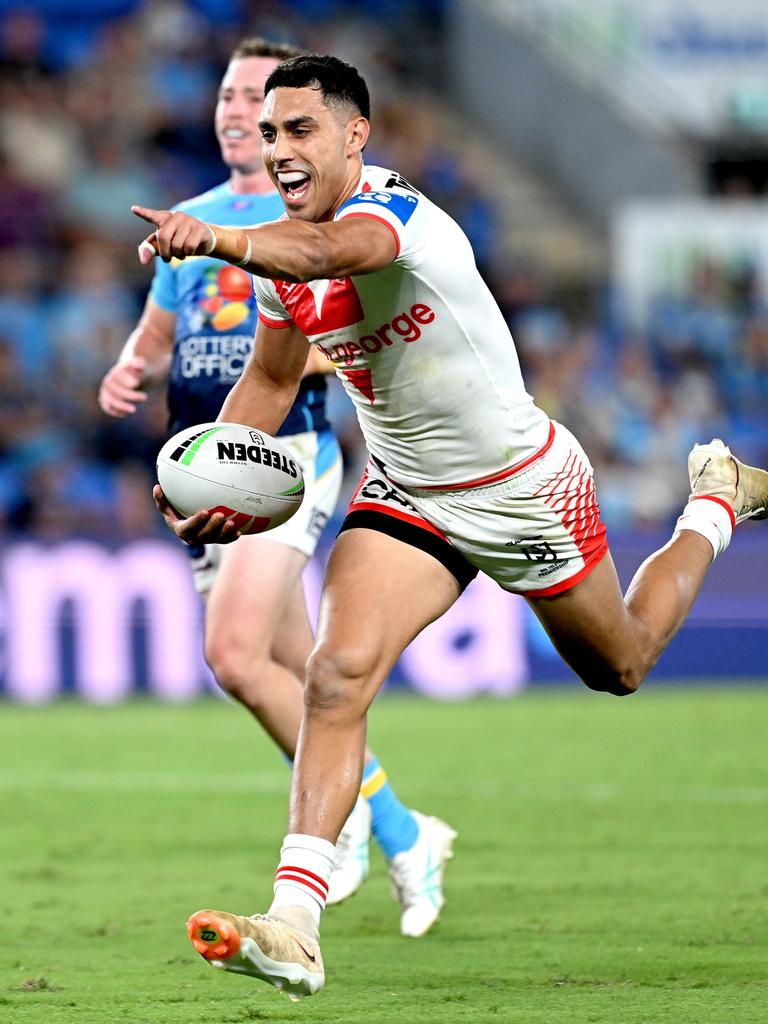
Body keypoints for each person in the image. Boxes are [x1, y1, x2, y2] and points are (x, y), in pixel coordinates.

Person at [132, 54, 768, 1001]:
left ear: (356, 135)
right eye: (269, 135)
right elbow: (270, 380)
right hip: (406, 493)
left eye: (300, 130)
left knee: (622, 664)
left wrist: (219, 242)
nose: (280, 150)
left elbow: (318, 255)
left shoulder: (397, 220)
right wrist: (211, 470)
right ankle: (297, 922)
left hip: (520, 486)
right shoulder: (283, 255)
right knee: (335, 675)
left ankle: (716, 499)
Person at [100, 40, 456, 936]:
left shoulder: (313, 218)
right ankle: (405, 833)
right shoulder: (188, 216)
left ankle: (332, 839)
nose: (235, 111)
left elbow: (319, 324)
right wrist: (130, 367)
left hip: (280, 461)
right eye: (228, 97)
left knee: (231, 655)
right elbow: (160, 325)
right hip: (212, 457)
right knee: (305, 679)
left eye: (258, 99)